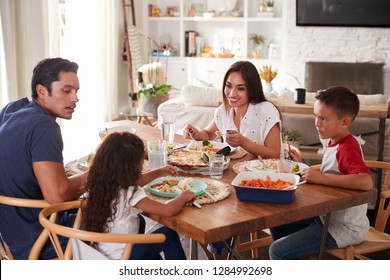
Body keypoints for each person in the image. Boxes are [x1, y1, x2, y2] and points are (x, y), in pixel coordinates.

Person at [269, 86, 373, 260]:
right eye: (316, 116)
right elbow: (334, 174)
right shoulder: (334, 141)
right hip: (326, 217)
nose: (317, 123)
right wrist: (300, 167)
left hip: (344, 228)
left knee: (277, 251)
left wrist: (321, 178)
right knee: (277, 223)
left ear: (344, 122)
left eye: (323, 119)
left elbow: (366, 182)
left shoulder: (347, 148)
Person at [0, 57, 89, 259]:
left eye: (76, 91)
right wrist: (98, 173)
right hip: (34, 238)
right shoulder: (44, 126)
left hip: (6, 236)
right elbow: (56, 196)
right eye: (66, 91)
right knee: (125, 218)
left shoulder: (11, 110)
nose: (75, 98)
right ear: (42, 91)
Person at [82, 132, 195, 260]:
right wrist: (184, 195)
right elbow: (167, 210)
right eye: (141, 161)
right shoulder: (130, 193)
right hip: (123, 257)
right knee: (168, 235)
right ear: (131, 167)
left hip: (100, 255)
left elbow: (138, 180)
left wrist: (160, 172)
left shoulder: (99, 185)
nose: (142, 163)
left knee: (140, 222)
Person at [183, 60, 282, 159]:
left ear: (252, 89)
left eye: (240, 88)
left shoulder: (267, 111)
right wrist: (196, 134)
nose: (232, 94)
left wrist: (243, 142)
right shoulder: (223, 111)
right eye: (229, 86)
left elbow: (275, 154)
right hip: (231, 170)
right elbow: (208, 134)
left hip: (264, 173)